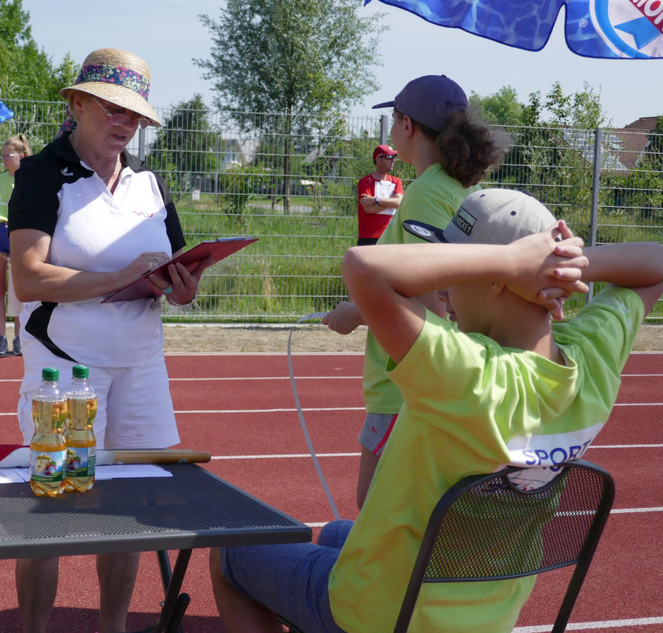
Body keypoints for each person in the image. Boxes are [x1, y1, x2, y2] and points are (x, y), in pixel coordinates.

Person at [212, 188, 663, 632]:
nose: (442, 290)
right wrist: (561, 266)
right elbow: (657, 261)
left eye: (461, 266)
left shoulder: (468, 375)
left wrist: (511, 262)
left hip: (384, 616)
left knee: (230, 550)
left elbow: (363, 267)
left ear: (500, 277)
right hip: (487, 617)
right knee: (335, 532)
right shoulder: (594, 356)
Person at [7, 48, 211, 633]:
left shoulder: (150, 182)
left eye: (134, 115)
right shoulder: (41, 174)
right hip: (66, 372)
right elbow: (28, 278)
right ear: (76, 104)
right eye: (112, 109)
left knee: (132, 510)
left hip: (142, 367)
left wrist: (183, 287)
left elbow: (175, 273)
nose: (125, 123)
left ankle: (114, 627)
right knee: (52, 509)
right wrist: (120, 277)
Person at [325, 74, 507, 509]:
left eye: (394, 119)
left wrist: (358, 311)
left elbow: (431, 302)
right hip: (428, 378)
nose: (391, 130)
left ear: (407, 125)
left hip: (404, 382)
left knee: (376, 510)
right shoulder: (459, 188)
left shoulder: (425, 193)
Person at [0, 134, 31, 355]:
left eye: (8, 156)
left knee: (19, 290)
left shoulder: (29, 179)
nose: (4, 160)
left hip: (19, 236)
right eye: (2, 156)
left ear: (21, 156)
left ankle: (19, 337)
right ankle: (1, 337)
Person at [355, 144, 403, 245]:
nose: (393, 160)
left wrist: (376, 200)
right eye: (389, 157)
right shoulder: (365, 182)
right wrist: (391, 202)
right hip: (369, 237)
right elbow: (369, 209)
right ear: (378, 159)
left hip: (390, 236)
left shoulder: (396, 181)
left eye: (394, 157)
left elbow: (399, 202)